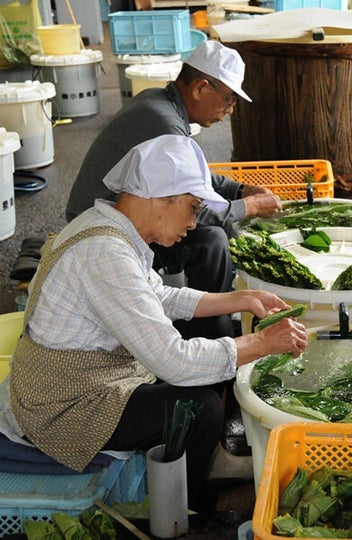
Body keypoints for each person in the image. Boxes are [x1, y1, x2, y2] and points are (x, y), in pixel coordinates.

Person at [8, 135, 308, 514]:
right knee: (199, 409)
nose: (193, 223)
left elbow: (159, 295)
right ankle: (182, 509)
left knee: (216, 326)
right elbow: (175, 362)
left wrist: (243, 299)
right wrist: (262, 343)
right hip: (66, 404)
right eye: (192, 208)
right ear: (161, 197)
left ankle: (205, 458)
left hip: (93, 375)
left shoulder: (109, 227)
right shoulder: (104, 253)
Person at [66, 40, 283, 339]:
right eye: (229, 99)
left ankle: (208, 316)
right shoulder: (164, 123)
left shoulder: (160, 103)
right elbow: (198, 210)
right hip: (99, 228)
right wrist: (252, 207)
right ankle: (199, 331)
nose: (230, 110)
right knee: (213, 240)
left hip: (107, 214)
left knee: (218, 231)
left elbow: (196, 175)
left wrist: (241, 189)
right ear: (200, 88)